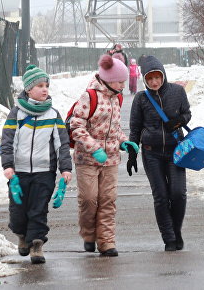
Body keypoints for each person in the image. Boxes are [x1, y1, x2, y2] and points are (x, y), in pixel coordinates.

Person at [0, 65, 73, 264]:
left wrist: (65, 168)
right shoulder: (16, 114)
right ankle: (22, 236)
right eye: (40, 85)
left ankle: (37, 244)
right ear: (29, 89)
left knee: (38, 209)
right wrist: (8, 166)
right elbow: (7, 142)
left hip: (44, 172)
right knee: (18, 211)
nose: (44, 89)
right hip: (19, 173)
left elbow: (62, 144)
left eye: (46, 85)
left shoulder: (53, 115)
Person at [68, 54, 138, 257]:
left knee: (108, 200)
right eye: (120, 81)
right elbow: (76, 125)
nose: (123, 85)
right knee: (89, 200)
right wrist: (93, 148)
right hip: (87, 159)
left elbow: (114, 129)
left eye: (124, 81)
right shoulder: (89, 96)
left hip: (111, 159)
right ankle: (89, 234)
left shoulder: (117, 97)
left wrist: (124, 141)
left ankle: (106, 241)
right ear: (108, 79)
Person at [128, 55, 192, 252]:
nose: (154, 82)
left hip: (175, 151)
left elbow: (187, 113)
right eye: (150, 78)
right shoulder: (140, 98)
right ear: (145, 80)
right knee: (161, 196)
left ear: (163, 75)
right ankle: (169, 237)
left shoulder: (177, 91)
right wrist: (132, 152)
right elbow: (135, 128)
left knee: (178, 194)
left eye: (157, 77)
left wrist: (179, 121)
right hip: (152, 153)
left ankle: (177, 230)